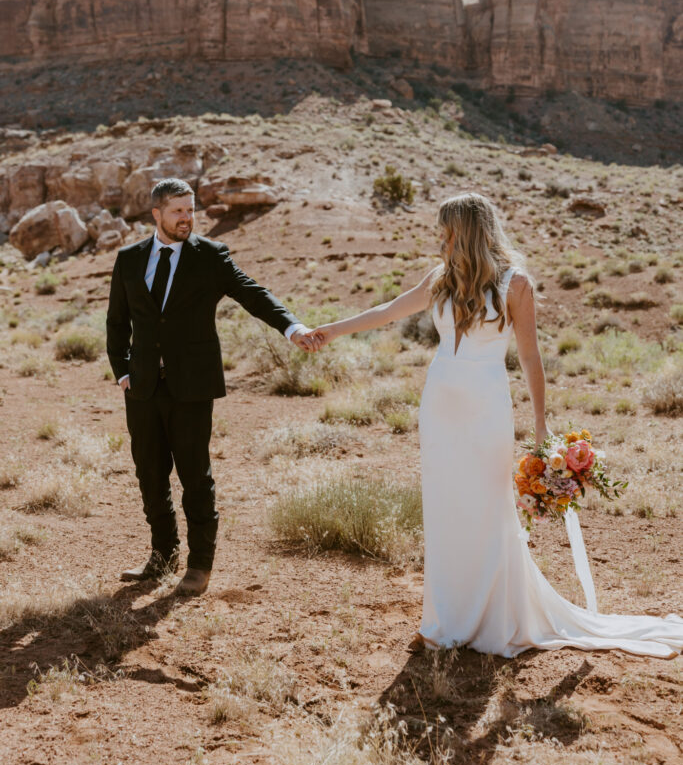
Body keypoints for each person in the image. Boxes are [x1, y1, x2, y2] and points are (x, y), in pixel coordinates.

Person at [306, 193, 683, 658]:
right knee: (445, 508)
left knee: (489, 507)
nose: (439, 238)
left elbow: (529, 356)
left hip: (487, 405)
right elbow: (387, 312)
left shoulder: (515, 284)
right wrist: (329, 329)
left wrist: (541, 425)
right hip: (440, 403)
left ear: (464, 231)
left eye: (445, 229)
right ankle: (446, 618)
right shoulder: (441, 280)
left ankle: (494, 618)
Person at [106, 177, 314, 596]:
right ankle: (162, 556)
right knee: (150, 474)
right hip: (143, 387)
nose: (187, 218)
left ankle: (200, 565)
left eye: (191, 210)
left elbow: (251, 293)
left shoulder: (210, 256)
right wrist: (124, 371)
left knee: (194, 476)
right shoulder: (129, 258)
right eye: (178, 211)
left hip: (192, 386)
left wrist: (291, 327)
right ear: (157, 214)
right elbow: (117, 321)